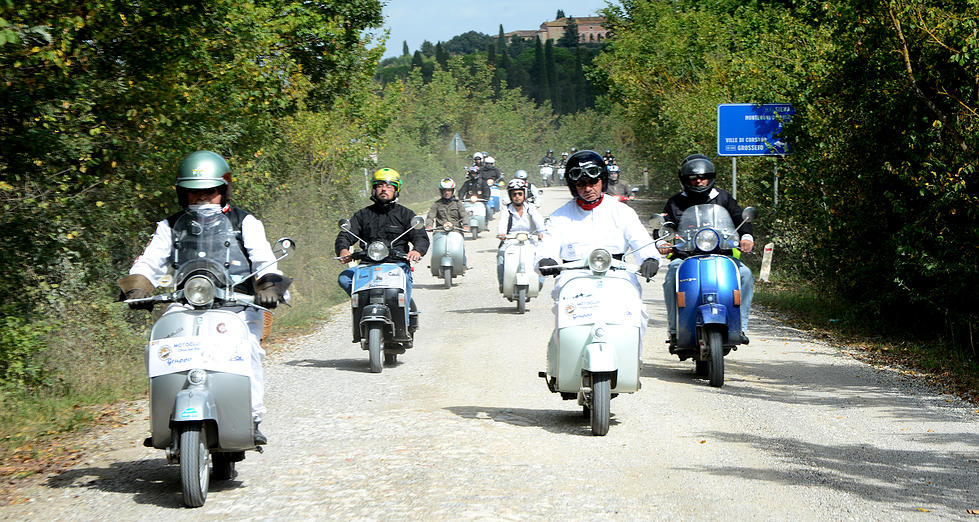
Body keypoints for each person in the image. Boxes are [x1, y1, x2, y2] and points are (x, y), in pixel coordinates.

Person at [118, 150, 291, 445]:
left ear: (223, 190)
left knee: (248, 349)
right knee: (158, 348)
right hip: (185, 302)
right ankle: (163, 419)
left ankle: (252, 416)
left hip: (238, 304)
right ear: (182, 194)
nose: (201, 199)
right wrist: (137, 287)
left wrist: (269, 287)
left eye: (208, 192)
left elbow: (264, 261)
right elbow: (149, 261)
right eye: (193, 193)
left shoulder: (245, 221)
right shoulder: (169, 226)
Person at [535, 150, 661, 338]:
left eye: (593, 182)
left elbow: (641, 240)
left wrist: (650, 258)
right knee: (565, 328)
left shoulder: (622, 212)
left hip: (618, 279)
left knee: (637, 316)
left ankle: (633, 366)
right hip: (573, 281)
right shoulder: (559, 216)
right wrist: (546, 260)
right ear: (573, 186)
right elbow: (548, 244)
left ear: (603, 181)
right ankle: (562, 366)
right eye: (581, 184)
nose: (588, 189)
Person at [658, 154, 754, 347]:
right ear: (685, 180)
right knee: (671, 278)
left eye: (704, 177)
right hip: (685, 257)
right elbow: (664, 226)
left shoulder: (723, 197)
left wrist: (746, 236)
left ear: (711, 177)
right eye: (694, 178)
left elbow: (739, 218)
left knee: (745, 275)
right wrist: (662, 241)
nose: (700, 181)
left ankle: (740, 326)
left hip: (722, 254)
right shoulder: (675, 202)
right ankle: (675, 329)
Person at [335, 169, 429, 334]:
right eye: (380, 186)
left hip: (397, 264)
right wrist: (343, 249)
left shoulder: (405, 214)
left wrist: (417, 251)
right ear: (374, 189)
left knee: (404, 285)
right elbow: (346, 234)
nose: (384, 189)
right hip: (368, 264)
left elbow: (420, 236)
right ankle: (364, 304)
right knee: (344, 278)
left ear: (395, 190)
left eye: (389, 186)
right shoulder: (363, 214)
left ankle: (404, 325)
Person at [496, 178, 547, 292]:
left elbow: (538, 220)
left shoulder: (530, 207)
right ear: (510, 195)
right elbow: (502, 222)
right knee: (501, 254)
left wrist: (541, 232)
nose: (517, 196)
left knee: (542, 255)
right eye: (514, 194)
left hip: (529, 237)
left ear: (524, 194)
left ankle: (540, 280)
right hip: (511, 239)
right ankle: (502, 282)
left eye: (520, 193)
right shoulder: (506, 209)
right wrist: (501, 233)